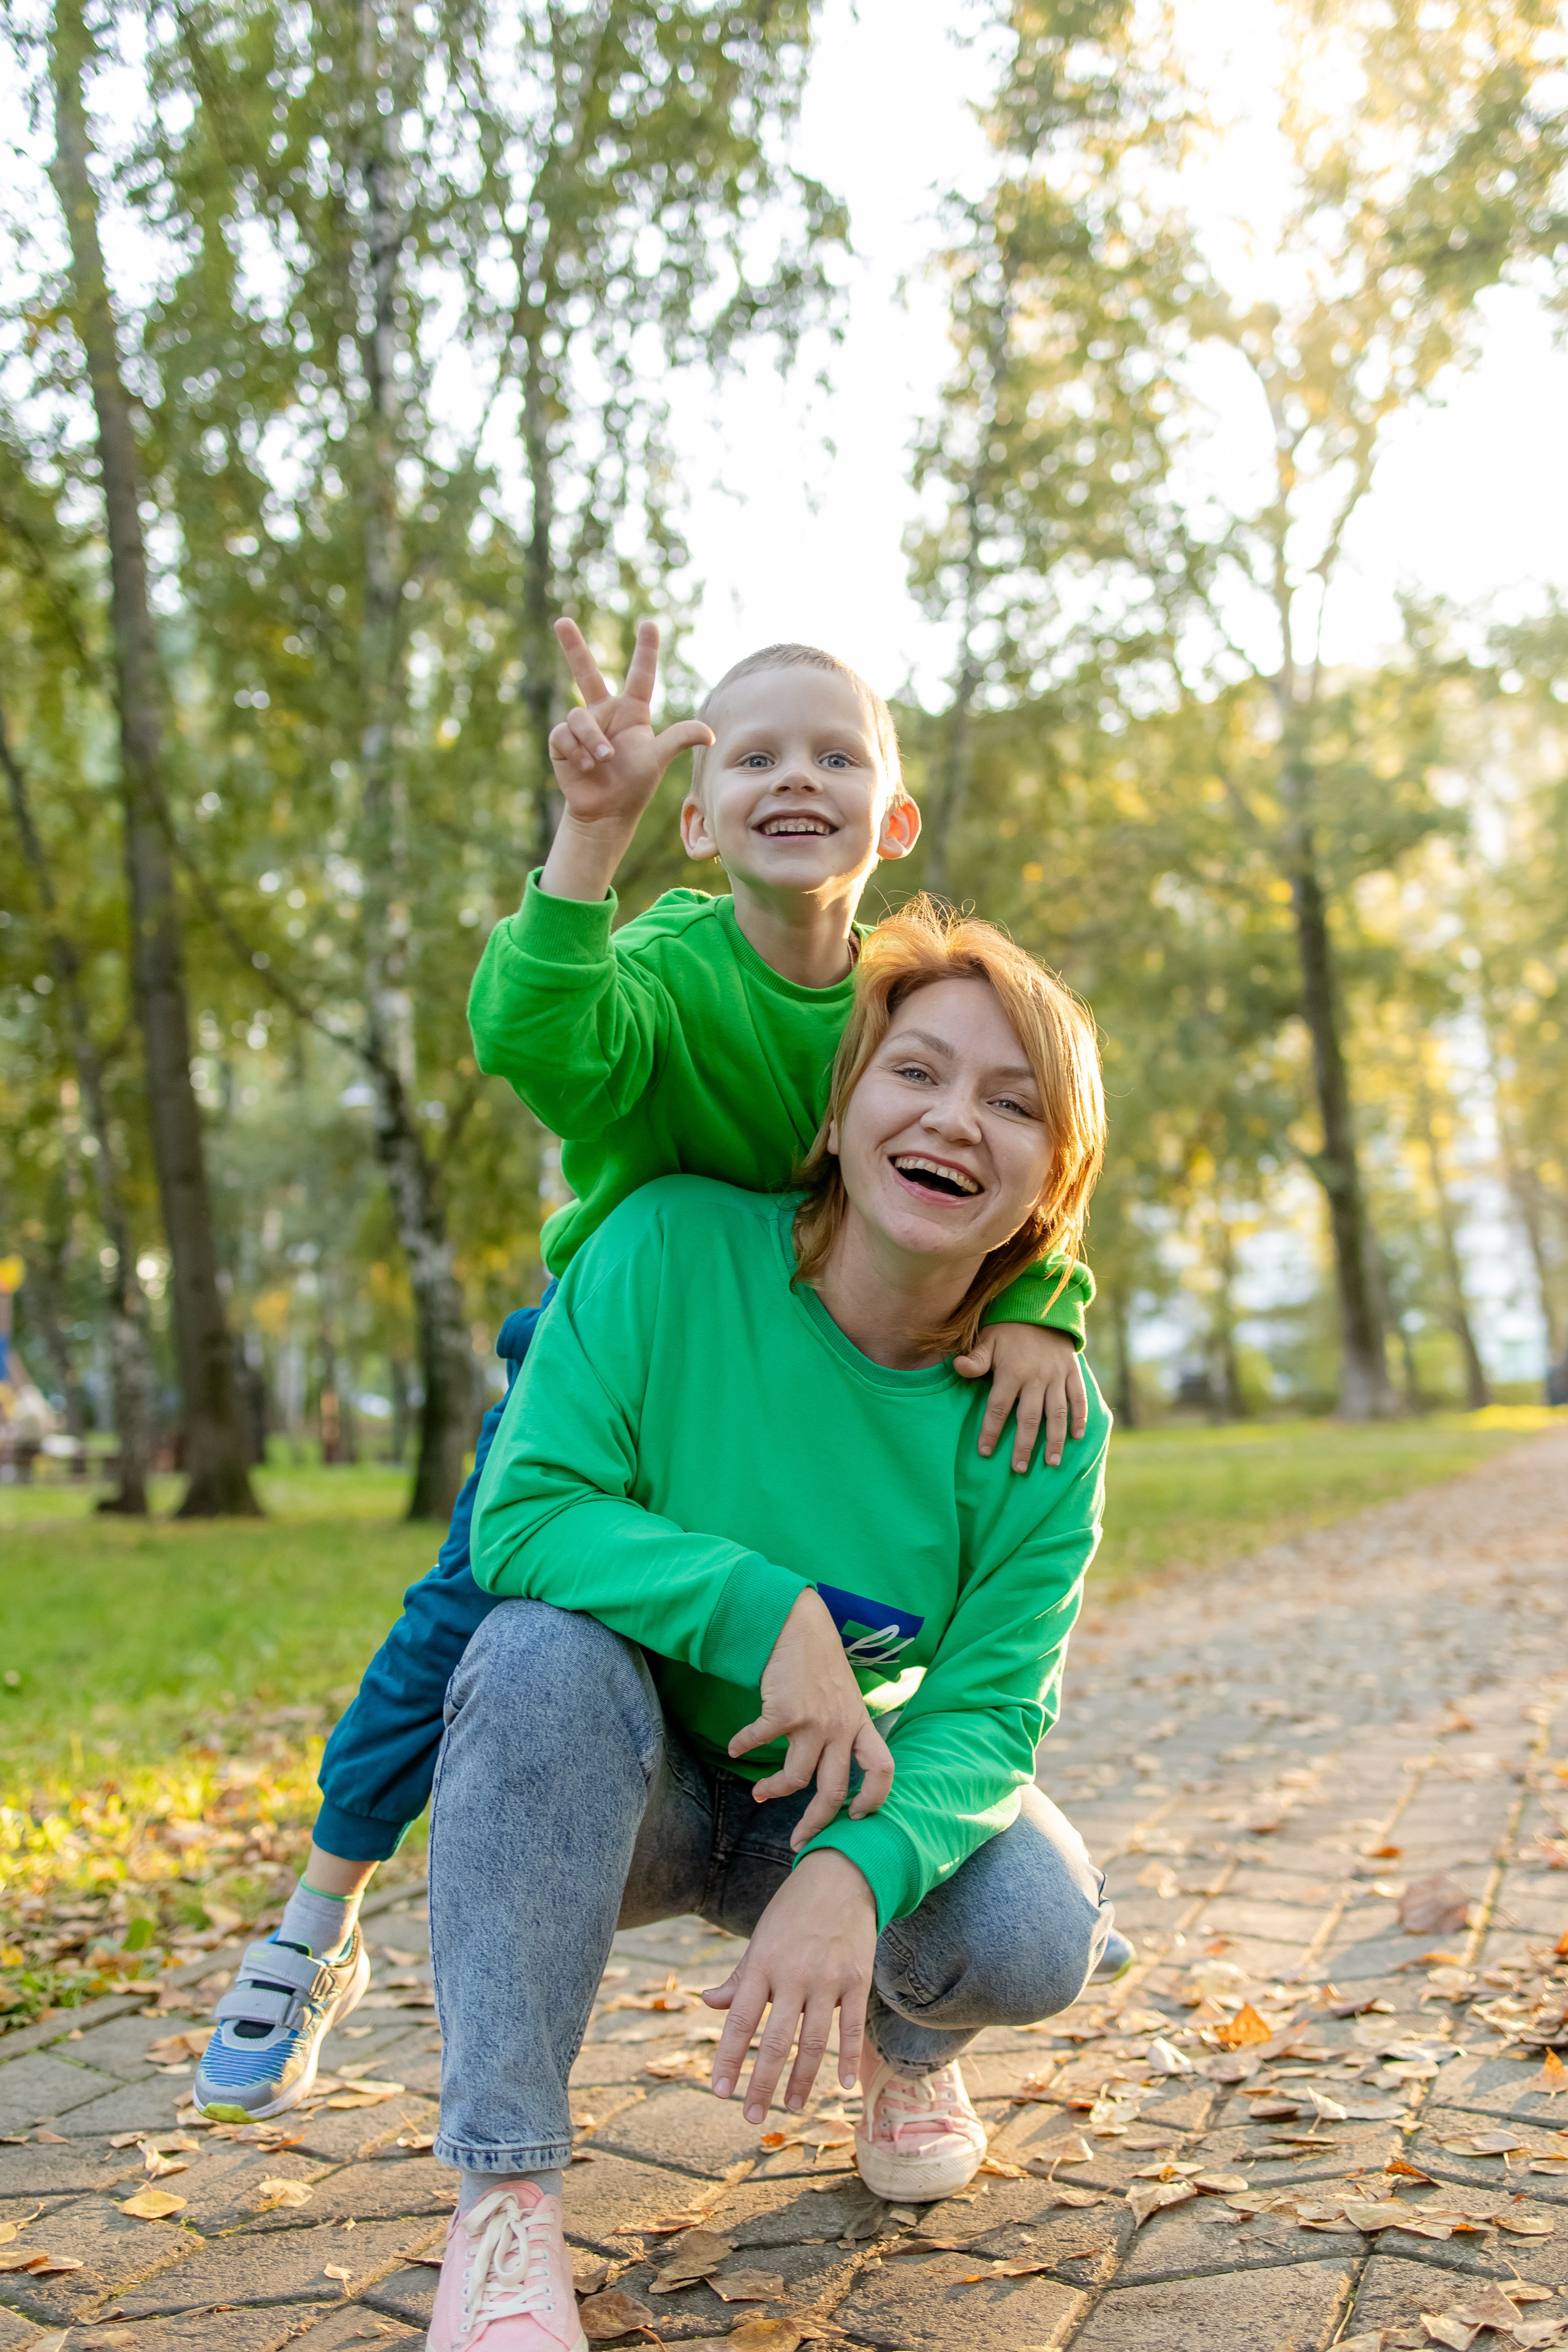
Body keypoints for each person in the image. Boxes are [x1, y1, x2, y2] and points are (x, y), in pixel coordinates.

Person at [194, 627, 1107, 2124]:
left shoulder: (897, 1012)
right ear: (699, 818)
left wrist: (1045, 1308)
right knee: (472, 1615)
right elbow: (535, 1037)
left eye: (832, 753)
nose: (791, 777)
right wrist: (583, 839)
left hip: (810, 1334)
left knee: (985, 1857)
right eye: (749, 755)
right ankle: (316, 1914)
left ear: (895, 817)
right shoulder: (672, 960)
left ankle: (949, 1935)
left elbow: (992, 1163)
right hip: (625, 1325)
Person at [423, 901, 1115, 2352]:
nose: (952, 1121)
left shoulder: (1040, 1424)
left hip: (833, 1797)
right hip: (633, 1791)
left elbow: (990, 1708)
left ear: (1055, 1177)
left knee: (1040, 1928)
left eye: (1013, 1102)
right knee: (531, 1651)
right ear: (846, 1100)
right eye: (913, 1072)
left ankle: (906, 2045)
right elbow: (526, 1516)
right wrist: (766, 1608)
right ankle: (504, 2207)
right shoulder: (667, 1249)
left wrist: (856, 1874)